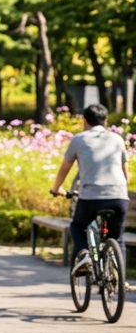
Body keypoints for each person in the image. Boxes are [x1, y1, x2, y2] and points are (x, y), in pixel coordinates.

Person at [51, 103, 130, 275]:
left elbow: (65, 167)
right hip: (119, 197)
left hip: (91, 197)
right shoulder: (117, 139)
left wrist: (56, 188)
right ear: (106, 121)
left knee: (77, 227)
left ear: (84, 121)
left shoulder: (79, 139)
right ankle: (119, 276)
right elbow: (126, 174)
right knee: (117, 238)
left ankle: (84, 254)